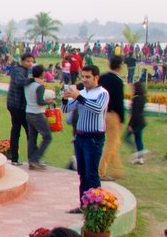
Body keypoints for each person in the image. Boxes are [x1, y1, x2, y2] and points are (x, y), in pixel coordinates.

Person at [64, 64, 109, 211]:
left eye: (88, 77)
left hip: (94, 138)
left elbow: (97, 109)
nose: (85, 79)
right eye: (83, 76)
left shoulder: (102, 93)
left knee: (92, 173)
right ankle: (84, 205)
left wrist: (79, 97)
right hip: (80, 137)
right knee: (82, 174)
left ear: (96, 78)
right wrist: (65, 98)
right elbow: (66, 109)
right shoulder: (82, 93)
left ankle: (96, 206)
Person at [98, 56, 126, 180]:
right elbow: (119, 102)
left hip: (100, 112)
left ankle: (117, 169)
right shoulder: (118, 81)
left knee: (112, 142)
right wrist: (122, 118)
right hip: (112, 114)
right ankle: (101, 171)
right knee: (112, 143)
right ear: (120, 67)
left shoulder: (102, 78)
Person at [6, 53, 33, 165]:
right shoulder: (18, 71)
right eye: (27, 61)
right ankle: (32, 158)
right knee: (28, 131)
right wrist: (33, 80)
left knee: (16, 130)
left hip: (17, 105)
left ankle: (14, 158)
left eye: (31, 61)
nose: (30, 63)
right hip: (17, 105)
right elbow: (19, 82)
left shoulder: (24, 71)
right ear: (22, 61)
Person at [24, 64, 53, 170]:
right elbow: (40, 102)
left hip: (29, 113)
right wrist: (49, 101)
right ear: (42, 74)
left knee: (32, 138)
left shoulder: (28, 84)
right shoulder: (39, 86)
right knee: (47, 137)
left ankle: (31, 159)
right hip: (37, 114)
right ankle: (35, 158)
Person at [127, 80, 148, 164]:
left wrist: (130, 125)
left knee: (127, 137)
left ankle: (139, 153)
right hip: (141, 122)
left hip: (136, 122)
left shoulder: (136, 99)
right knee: (138, 139)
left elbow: (134, 114)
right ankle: (140, 157)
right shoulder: (143, 98)